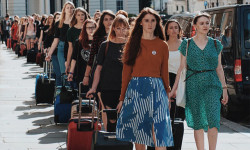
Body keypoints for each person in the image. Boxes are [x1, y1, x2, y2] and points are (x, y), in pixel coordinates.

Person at [116, 7, 173, 150]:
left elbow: (164, 72)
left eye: (153, 20)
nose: (150, 24)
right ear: (140, 22)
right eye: (146, 20)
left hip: (158, 89)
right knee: (139, 132)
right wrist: (122, 98)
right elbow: (126, 72)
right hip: (136, 89)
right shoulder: (133, 43)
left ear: (157, 22)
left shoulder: (162, 45)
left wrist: (168, 94)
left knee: (160, 131)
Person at [169, 13, 228, 150]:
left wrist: (224, 90)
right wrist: (173, 90)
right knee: (198, 122)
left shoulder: (216, 44)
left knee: (213, 120)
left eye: (207, 23)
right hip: (193, 85)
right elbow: (181, 68)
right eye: (201, 23)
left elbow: (219, 68)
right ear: (195, 26)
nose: (205, 26)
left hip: (212, 84)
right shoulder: (187, 44)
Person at [86, 15, 129, 132]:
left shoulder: (130, 46)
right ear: (113, 28)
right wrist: (93, 88)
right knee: (111, 119)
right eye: (118, 28)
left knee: (123, 119)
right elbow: (98, 68)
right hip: (107, 87)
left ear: (128, 29)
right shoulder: (106, 45)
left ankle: (121, 144)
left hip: (124, 87)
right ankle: (110, 142)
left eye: (124, 28)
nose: (121, 31)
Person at [83, 10, 115, 130]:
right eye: (106, 19)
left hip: (116, 73)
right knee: (103, 104)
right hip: (100, 72)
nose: (108, 22)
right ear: (102, 21)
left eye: (111, 19)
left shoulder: (120, 35)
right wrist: (86, 76)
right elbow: (92, 58)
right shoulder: (98, 35)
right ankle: (107, 130)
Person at [45, 1, 75, 86]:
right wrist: (49, 54)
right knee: (64, 70)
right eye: (67, 8)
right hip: (62, 47)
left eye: (71, 8)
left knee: (73, 70)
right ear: (64, 9)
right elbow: (56, 40)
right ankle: (66, 91)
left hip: (73, 47)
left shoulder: (76, 22)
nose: (69, 9)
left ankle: (74, 91)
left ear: (74, 9)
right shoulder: (59, 23)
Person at [68, 19, 97, 92]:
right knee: (83, 96)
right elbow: (74, 58)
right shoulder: (79, 42)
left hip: (95, 73)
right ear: (85, 29)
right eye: (88, 28)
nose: (91, 30)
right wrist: (71, 72)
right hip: (81, 72)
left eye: (93, 27)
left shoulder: (99, 42)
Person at [65, 7, 90, 75]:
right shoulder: (71, 30)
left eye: (82, 14)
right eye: (78, 15)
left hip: (89, 56)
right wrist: (68, 63)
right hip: (76, 57)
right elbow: (70, 48)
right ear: (75, 16)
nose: (81, 17)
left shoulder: (90, 27)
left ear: (85, 15)